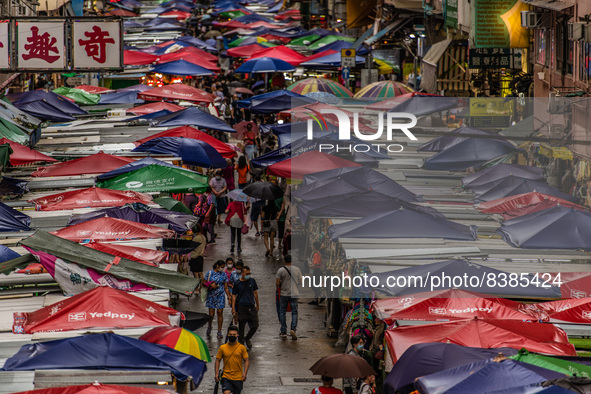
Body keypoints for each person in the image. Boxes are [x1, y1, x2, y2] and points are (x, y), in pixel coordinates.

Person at [215, 326, 249, 394]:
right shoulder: (222, 348)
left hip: (238, 377)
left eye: (234, 335)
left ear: (237, 335)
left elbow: (246, 360)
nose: (232, 336)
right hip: (226, 376)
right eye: (230, 334)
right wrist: (216, 374)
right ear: (228, 335)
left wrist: (245, 373)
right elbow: (217, 360)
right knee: (226, 392)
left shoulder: (242, 348)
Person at [231, 265, 259, 349]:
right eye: (247, 273)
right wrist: (233, 309)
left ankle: (247, 338)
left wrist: (257, 304)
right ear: (242, 273)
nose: (248, 275)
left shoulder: (252, 281)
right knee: (241, 327)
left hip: (251, 306)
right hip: (241, 307)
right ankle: (241, 344)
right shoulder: (237, 283)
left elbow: (255, 293)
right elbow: (234, 296)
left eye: (249, 273)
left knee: (255, 325)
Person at [276, 254, 302, 340]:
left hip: (284, 293)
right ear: (291, 260)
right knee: (294, 312)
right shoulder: (297, 269)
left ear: (284, 261)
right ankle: (293, 329)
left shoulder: (280, 270)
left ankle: (283, 331)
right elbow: (301, 282)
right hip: (294, 293)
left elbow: (277, 283)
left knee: (282, 311)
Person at [204, 260, 230, 339]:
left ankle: (219, 330)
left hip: (220, 296)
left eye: (223, 267)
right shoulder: (210, 273)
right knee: (211, 314)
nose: (222, 268)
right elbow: (203, 282)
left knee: (220, 313)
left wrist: (228, 296)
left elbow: (225, 287)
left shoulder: (224, 274)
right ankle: (209, 326)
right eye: (221, 267)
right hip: (211, 295)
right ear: (217, 266)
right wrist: (211, 285)